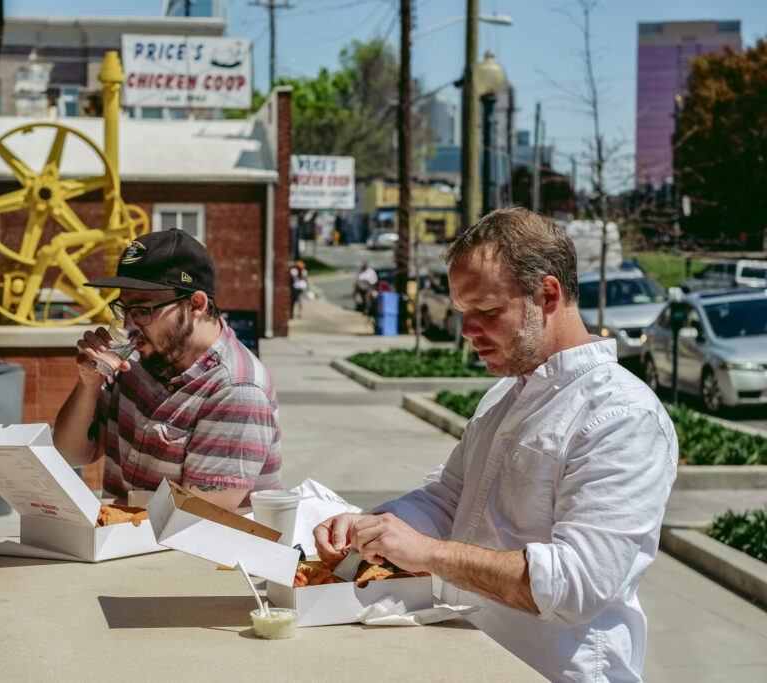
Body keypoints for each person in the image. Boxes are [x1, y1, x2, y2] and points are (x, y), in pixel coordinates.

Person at [314, 208, 677, 682]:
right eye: (463, 312)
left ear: (547, 295)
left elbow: (576, 586)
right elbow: (449, 497)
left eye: (486, 311)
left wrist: (427, 553)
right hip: (478, 662)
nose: (467, 331)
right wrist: (374, 526)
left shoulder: (622, 416)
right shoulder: (507, 394)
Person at [53, 230, 282, 512]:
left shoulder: (237, 390)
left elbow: (196, 516)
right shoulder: (138, 358)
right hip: (129, 536)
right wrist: (88, 384)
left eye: (142, 310)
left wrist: (88, 511)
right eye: (124, 309)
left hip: (193, 541)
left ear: (195, 304)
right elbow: (70, 454)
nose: (128, 326)